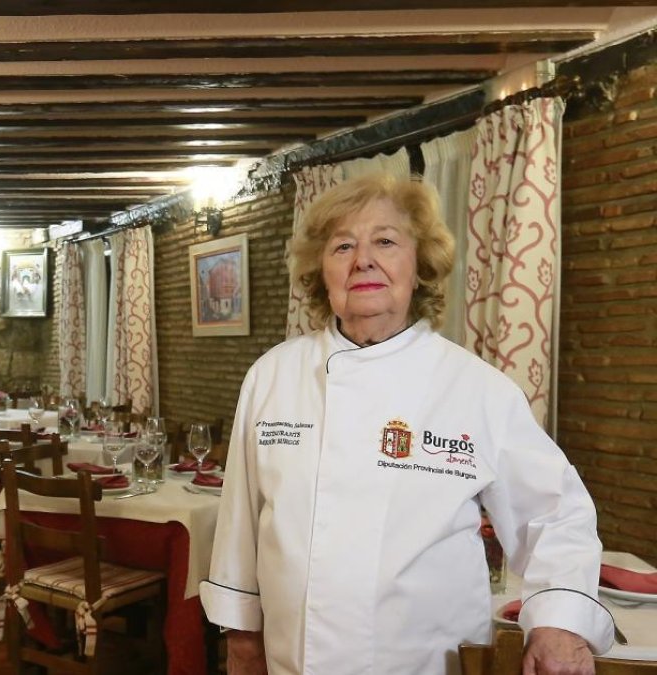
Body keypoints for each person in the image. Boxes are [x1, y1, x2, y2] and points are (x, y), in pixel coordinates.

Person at [200, 173, 614, 674]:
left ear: (419, 266)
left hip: (425, 663)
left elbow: (556, 514)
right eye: (343, 246)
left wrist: (559, 624)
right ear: (320, 272)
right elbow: (241, 523)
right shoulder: (273, 375)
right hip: (294, 661)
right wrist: (242, 640)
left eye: (386, 241)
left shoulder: (477, 389)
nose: (363, 260)